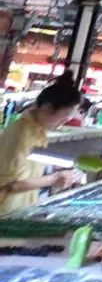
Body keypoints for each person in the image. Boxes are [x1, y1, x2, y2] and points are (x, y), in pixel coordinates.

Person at [0, 74, 81, 214]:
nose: (64, 122)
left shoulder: (39, 132)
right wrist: (54, 179)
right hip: (6, 211)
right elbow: (12, 184)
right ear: (47, 107)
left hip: (21, 208)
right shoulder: (21, 133)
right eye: (63, 117)